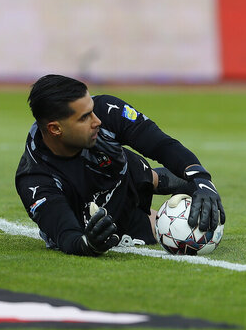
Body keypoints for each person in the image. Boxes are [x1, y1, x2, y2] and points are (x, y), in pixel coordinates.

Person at [16, 74, 225, 256]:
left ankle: (156, 180)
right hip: (97, 220)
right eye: (85, 117)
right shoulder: (34, 178)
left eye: (92, 109)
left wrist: (201, 178)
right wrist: (88, 245)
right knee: (169, 232)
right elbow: (68, 235)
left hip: (122, 174)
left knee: (126, 161)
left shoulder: (107, 110)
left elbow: (161, 144)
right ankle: (150, 206)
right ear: (55, 129)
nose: (97, 120)